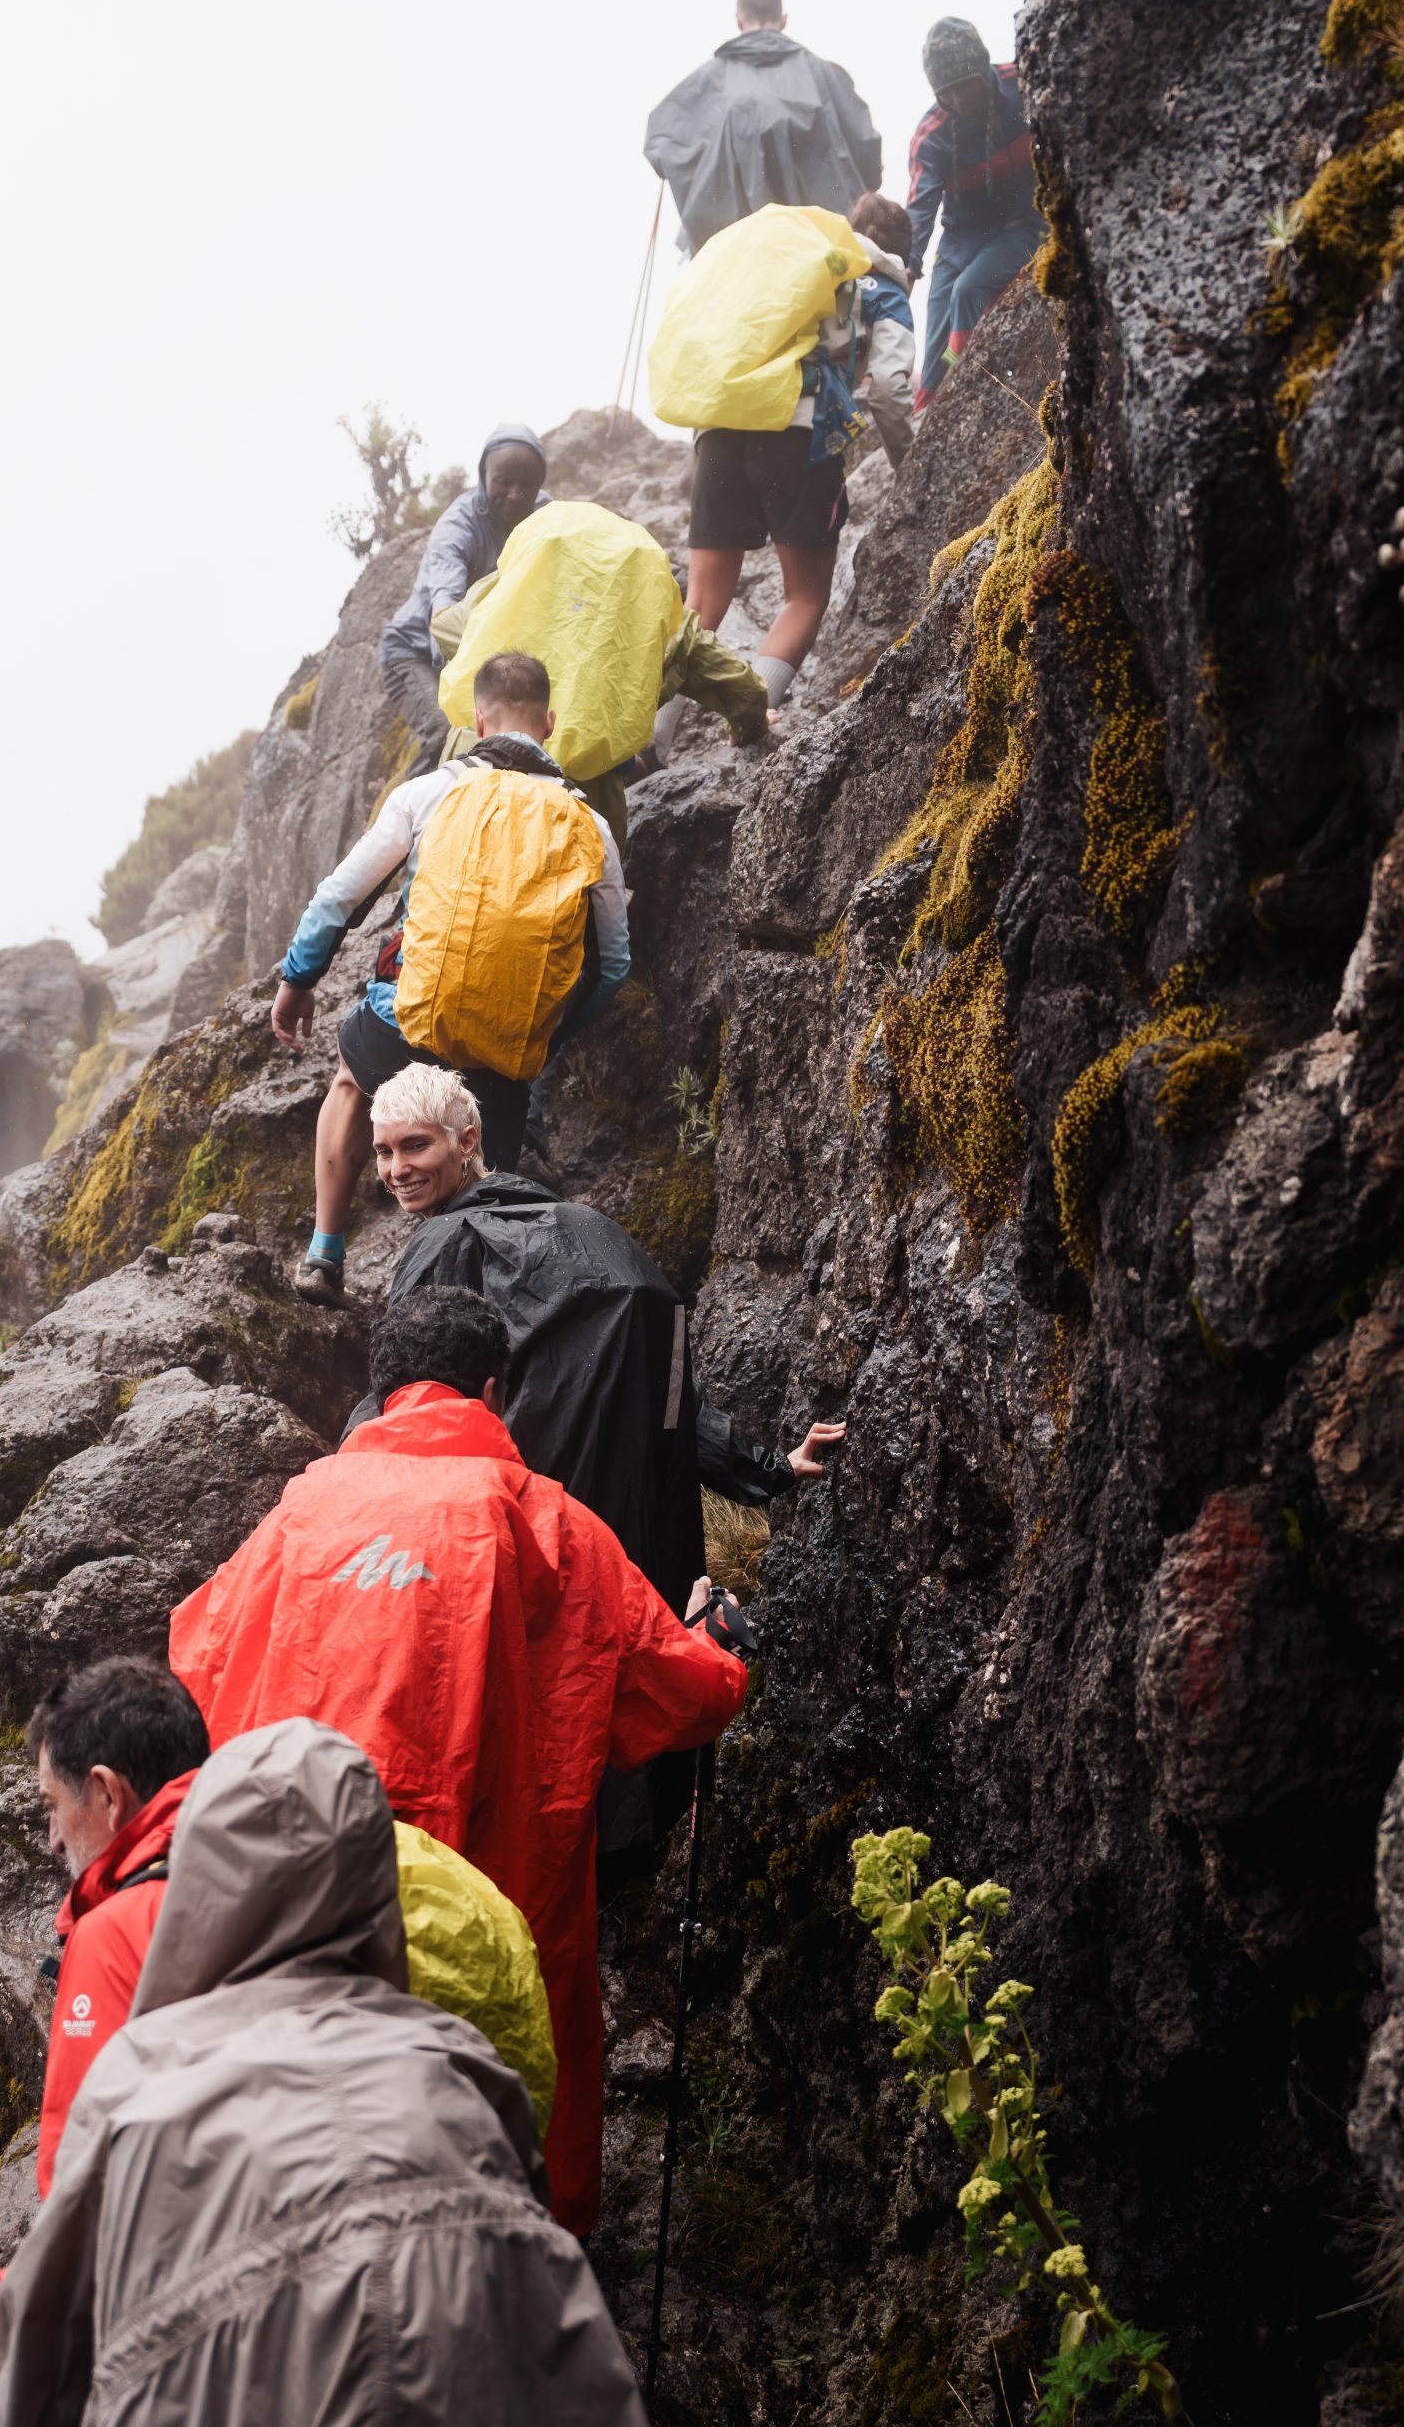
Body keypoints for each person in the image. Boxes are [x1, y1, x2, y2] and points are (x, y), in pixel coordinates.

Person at [170, 1285, 751, 2238]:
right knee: (512, 2085)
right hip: (490, 1900)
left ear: (383, 1393)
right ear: (492, 1391)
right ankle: (533, 2258)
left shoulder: (300, 1512)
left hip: (299, 1894)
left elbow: (198, 1658)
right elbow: (681, 1691)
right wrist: (715, 1640)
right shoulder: (546, 1520)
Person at [0, 1658, 555, 2404]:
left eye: (52, 1804)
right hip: (459, 2311)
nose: (51, 1839)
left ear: (107, 1792)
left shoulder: (120, 1932)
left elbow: (97, 2225)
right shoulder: (343, 1872)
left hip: (263, 2351)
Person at [0, 1721, 648, 2427]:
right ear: (380, 1882)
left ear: (202, 1878)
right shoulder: (473, 2083)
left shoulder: (137, 2079)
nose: (52, 1839)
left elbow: (44, 2354)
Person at [360, 1060, 842, 1848]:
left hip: (500, 1521)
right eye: (383, 1151)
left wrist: (338, 1489)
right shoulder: (592, 1235)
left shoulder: (444, 1243)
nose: (396, 1169)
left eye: (415, 1146)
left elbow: (402, 1390)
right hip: (611, 1527)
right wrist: (765, 1470)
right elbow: (665, 1392)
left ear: (468, 1140)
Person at [273, 650, 630, 1306]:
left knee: (351, 1078)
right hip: (504, 1058)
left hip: (405, 1028)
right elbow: (612, 966)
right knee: (484, 1185)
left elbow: (338, 899)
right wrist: (541, 1040)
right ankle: (464, 1305)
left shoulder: (428, 792)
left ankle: (324, 1253)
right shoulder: (590, 824)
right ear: (549, 723)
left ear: (477, 720)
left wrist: (298, 980)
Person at [673, 194, 916, 715]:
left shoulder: (797, 258)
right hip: (797, 429)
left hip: (718, 425)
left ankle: (650, 738)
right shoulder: (886, 287)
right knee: (803, 597)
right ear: (907, 259)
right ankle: (750, 720)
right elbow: (890, 389)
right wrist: (911, 467)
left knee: (700, 604)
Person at [431, 498, 767, 848]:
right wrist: (749, 728)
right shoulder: (658, 616)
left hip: (474, 758)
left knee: (452, 863)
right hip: (579, 792)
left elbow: (445, 628)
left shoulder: (518, 582)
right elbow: (743, 691)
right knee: (576, 878)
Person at [644, 0, 882, 253]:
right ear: (783, 20)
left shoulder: (710, 81)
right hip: (820, 251)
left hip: (738, 252)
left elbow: (663, 140)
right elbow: (865, 147)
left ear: (739, 20)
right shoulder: (822, 75)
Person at [378, 424, 551, 768]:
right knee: (448, 732)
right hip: (415, 653)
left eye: (527, 485)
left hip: (483, 647)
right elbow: (446, 613)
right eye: (504, 481)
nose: (515, 494)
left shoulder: (545, 515)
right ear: (483, 475)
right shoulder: (458, 527)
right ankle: (417, 802)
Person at [907, 19, 1041, 404]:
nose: (960, 99)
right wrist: (908, 265)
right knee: (935, 355)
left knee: (968, 290)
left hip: (1025, 223)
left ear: (983, 71)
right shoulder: (930, 138)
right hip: (962, 239)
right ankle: (928, 416)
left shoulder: (1023, 83)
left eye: (967, 85)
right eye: (948, 92)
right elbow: (919, 207)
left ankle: (967, 396)